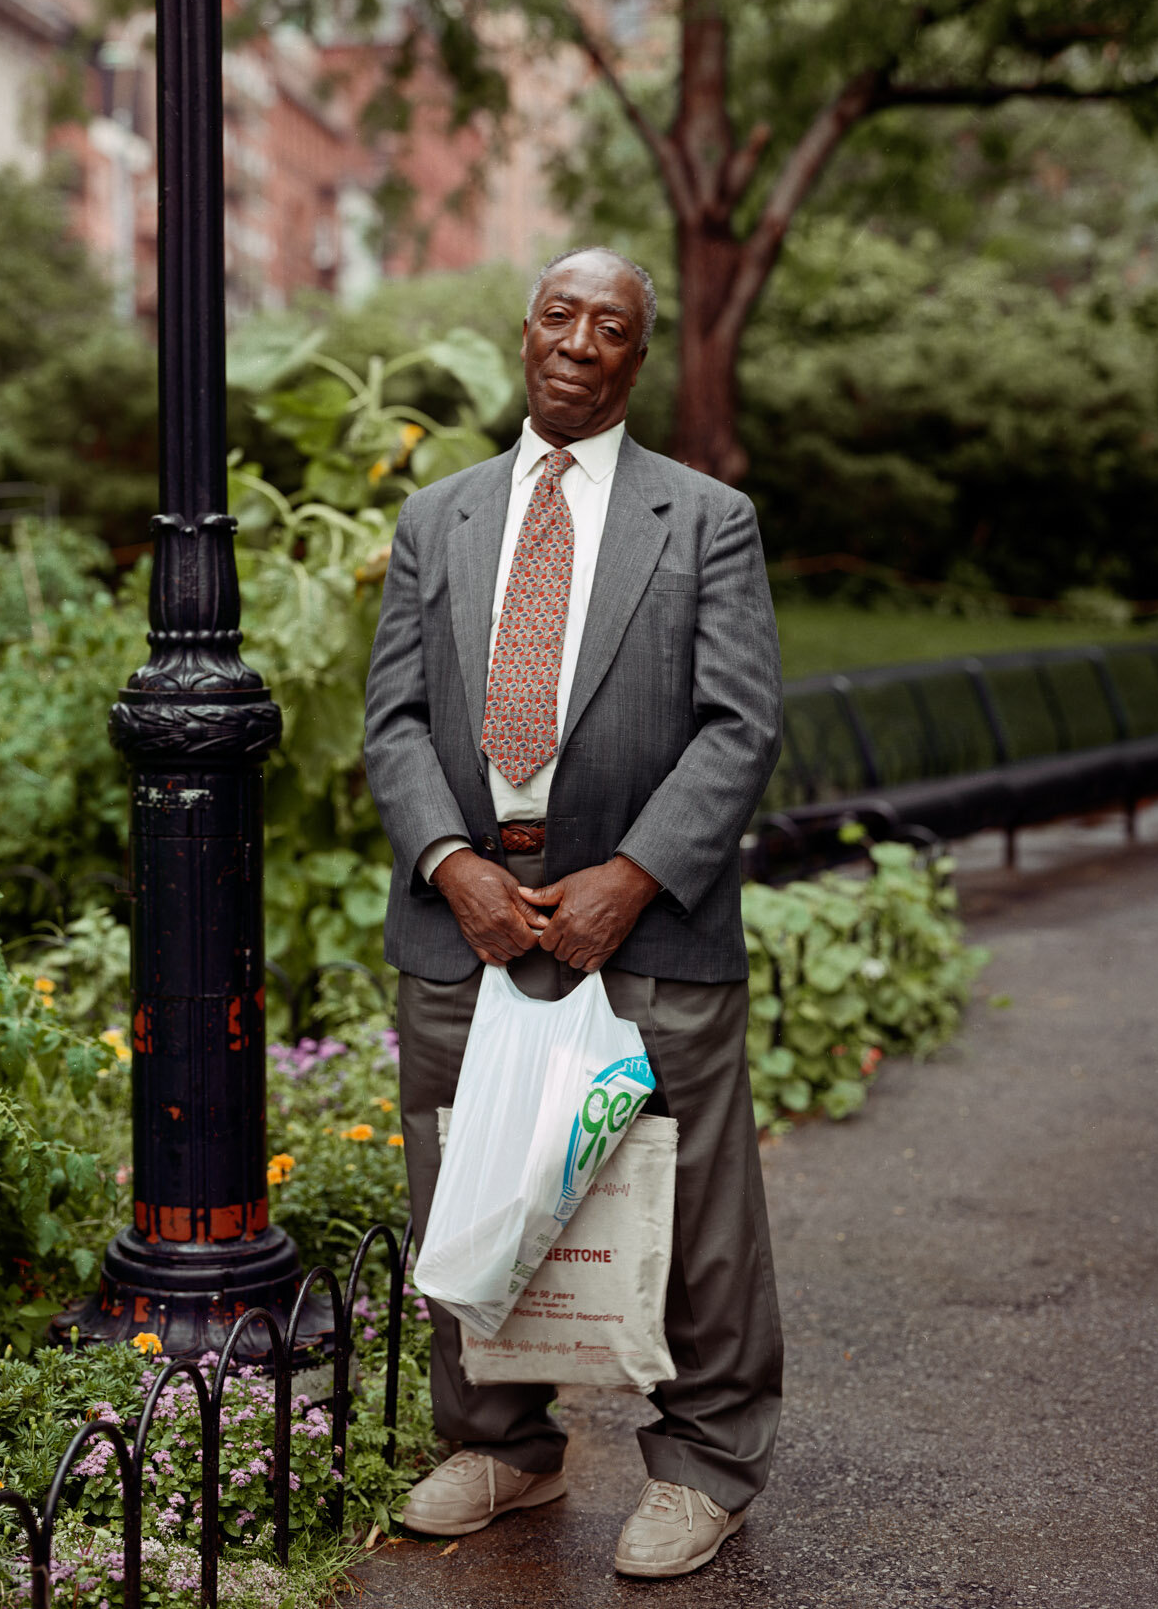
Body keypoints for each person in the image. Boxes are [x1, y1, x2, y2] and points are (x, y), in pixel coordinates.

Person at [363, 247, 785, 1578]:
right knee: (465, 1185)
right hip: (467, 914)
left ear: (635, 358)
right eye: (562, 314)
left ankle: (706, 1465)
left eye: (613, 326)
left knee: (692, 1208)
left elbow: (739, 726)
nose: (582, 341)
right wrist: (449, 861)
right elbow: (392, 722)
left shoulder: (704, 520)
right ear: (526, 331)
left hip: (645, 913)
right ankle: (501, 1446)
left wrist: (635, 876)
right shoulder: (439, 520)